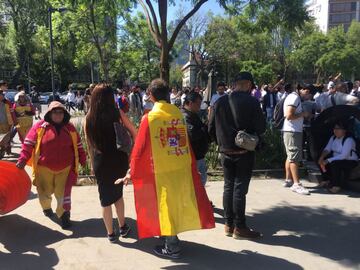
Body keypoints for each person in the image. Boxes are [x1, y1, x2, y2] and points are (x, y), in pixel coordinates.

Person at [119, 79, 214, 259]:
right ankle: (168, 236)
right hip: (180, 167)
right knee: (173, 205)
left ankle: (172, 247)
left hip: (161, 171)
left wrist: (131, 170)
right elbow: (184, 141)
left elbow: (139, 148)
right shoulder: (177, 114)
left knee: (166, 207)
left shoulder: (150, 118)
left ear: (151, 96)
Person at [208, 72, 266, 239]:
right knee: (239, 189)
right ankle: (239, 227)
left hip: (225, 151)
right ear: (247, 84)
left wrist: (221, 143)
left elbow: (210, 127)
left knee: (228, 186)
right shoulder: (252, 102)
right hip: (244, 151)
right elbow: (261, 128)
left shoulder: (219, 102)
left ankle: (228, 224)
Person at [16, 101, 86, 229]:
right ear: (49, 113)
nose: (58, 115)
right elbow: (28, 144)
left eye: (61, 112)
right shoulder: (39, 126)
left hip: (65, 168)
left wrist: (83, 159)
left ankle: (64, 215)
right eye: (55, 112)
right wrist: (22, 159)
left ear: (64, 114)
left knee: (63, 193)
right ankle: (46, 208)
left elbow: (79, 146)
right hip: (44, 168)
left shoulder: (70, 128)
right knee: (44, 193)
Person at [84, 84, 137, 243]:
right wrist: (131, 153)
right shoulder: (118, 113)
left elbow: (89, 144)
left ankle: (110, 234)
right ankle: (122, 227)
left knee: (105, 199)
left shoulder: (89, 117)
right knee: (118, 195)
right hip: (118, 159)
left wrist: (92, 164)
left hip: (100, 161)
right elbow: (135, 132)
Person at [282, 85, 312, 195]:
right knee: (294, 157)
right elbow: (289, 115)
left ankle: (288, 180)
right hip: (292, 131)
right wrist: (303, 114)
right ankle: (296, 184)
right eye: (307, 91)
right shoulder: (294, 98)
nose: (308, 94)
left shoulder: (294, 97)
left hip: (293, 131)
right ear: (301, 89)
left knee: (290, 156)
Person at [318, 121, 358, 193]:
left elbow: (344, 155)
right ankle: (326, 179)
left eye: (338, 128)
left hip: (350, 161)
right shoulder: (333, 138)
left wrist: (328, 160)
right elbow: (327, 149)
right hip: (336, 159)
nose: (335, 130)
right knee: (321, 160)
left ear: (344, 131)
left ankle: (336, 186)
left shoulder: (349, 140)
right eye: (335, 128)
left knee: (334, 163)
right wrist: (322, 157)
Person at [182, 92, 210, 187]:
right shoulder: (185, 116)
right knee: (198, 185)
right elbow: (193, 135)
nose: (199, 107)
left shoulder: (192, 114)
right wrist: (204, 129)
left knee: (201, 182)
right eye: (198, 104)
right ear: (190, 103)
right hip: (194, 156)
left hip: (198, 155)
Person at [0, 90, 15, 155]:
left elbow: (12, 112)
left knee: (6, 137)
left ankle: (6, 148)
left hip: (6, 123)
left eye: (2, 95)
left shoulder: (7, 103)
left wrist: (14, 120)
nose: (2, 96)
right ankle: (3, 149)